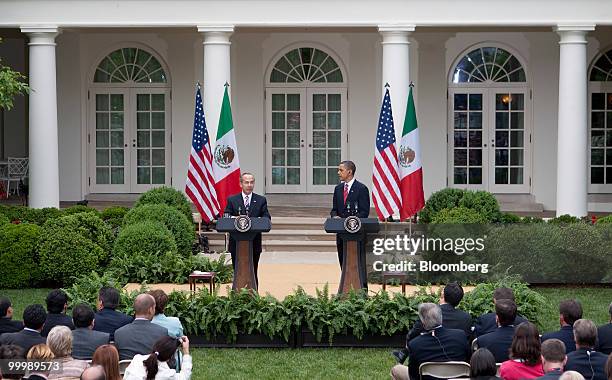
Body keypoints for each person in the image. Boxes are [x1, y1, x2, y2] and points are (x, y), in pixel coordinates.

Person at [393, 282, 472, 363]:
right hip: (457, 363)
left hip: (428, 360)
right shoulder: (466, 318)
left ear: (443, 295)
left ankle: (403, 353)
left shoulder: (429, 313)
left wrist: (409, 345)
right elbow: (467, 342)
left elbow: (413, 334)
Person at [390, 303, 470, 380]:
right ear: (441, 317)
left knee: (396, 369)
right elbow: (469, 360)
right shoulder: (460, 335)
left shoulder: (415, 344)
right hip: (458, 377)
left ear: (423, 322)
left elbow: (413, 375)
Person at [223, 172, 271, 285]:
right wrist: (235, 218)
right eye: (246, 182)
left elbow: (266, 217)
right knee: (237, 271)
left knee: (253, 271)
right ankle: (237, 296)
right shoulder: (232, 200)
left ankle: (254, 298)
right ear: (241, 184)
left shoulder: (261, 200)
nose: (249, 185)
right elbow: (226, 216)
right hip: (236, 244)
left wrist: (257, 220)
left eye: (251, 182)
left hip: (254, 243)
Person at [330, 160, 370, 288]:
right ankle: (346, 289)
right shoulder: (338, 189)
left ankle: (361, 290)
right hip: (341, 234)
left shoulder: (362, 189)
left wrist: (349, 222)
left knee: (358, 264)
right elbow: (334, 209)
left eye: (341, 170)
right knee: (343, 262)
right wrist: (334, 216)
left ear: (349, 172)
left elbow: (364, 212)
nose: (338, 172)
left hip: (356, 235)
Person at [114, 294, 168, 360]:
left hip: (126, 369)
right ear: (150, 310)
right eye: (154, 308)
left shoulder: (119, 333)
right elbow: (168, 362)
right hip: (152, 369)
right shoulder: (162, 332)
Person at [123, 336, 192, 380]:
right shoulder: (167, 374)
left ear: (155, 346)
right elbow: (185, 376)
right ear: (170, 357)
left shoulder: (137, 359)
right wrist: (186, 352)